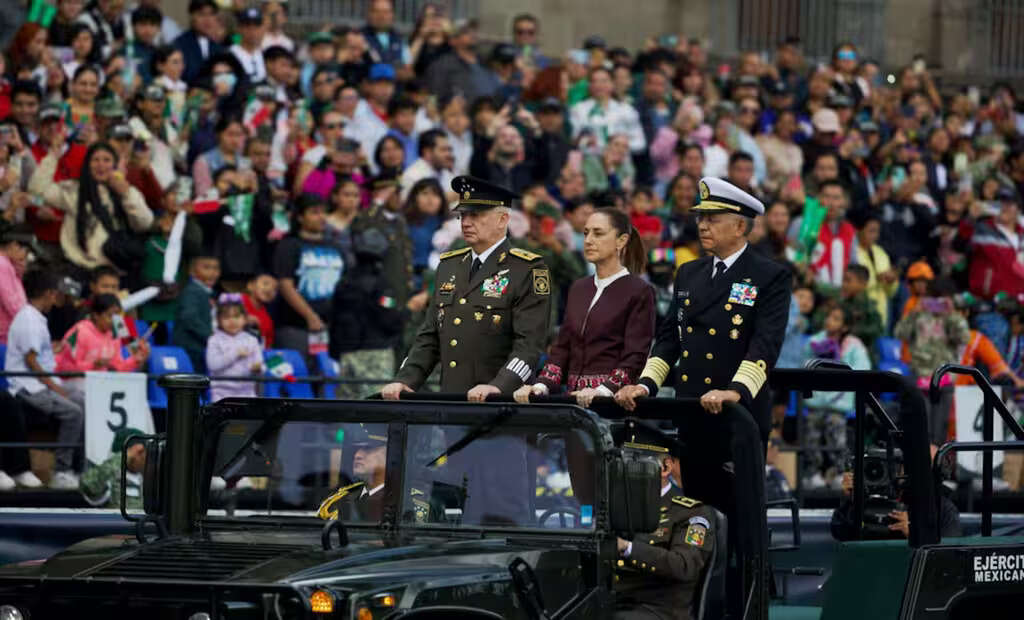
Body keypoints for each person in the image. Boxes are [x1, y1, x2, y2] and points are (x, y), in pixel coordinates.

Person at [615, 177, 791, 510]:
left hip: (737, 413)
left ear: (740, 226)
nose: (702, 225)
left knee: (739, 514)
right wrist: (646, 384)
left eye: (712, 219)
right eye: (700, 218)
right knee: (696, 512)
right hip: (692, 409)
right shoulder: (689, 273)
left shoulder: (769, 275)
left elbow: (765, 344)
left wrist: (735, 391)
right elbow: (669, 338)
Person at [383, 175, 551, 399]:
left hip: (501, 407)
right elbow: (430, 337)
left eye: (476, 215)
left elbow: (529, 346)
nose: (466, 222)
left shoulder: (526, 269)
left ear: (502, 220)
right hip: (453, 401)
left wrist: (499, 386)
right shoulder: (449, 265)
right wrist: (405, 380)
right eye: (463, 215)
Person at [514, 207, 655, 407]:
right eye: (586, 233)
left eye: (598, 233)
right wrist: (540, 386)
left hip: (613, 405)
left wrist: (603, 390)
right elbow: (562, 348)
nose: (588, 240)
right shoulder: (579, 288)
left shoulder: (639, 290)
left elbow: (635, 355)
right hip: (573, 403)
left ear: (621, 241)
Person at [612, 427, 717, 620]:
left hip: (656, 611)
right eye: (621, 460)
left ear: (665, 468)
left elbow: (684, 566)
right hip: (608, 603)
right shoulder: (614, 507)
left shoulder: (691, 513)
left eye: (634, 461)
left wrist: (627, 548)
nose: (624, 468)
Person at [6, 269, 85, 490]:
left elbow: (35, 352)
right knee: (73, 412)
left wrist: (53, 349)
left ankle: (78, 467)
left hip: (42, 384)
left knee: (81, 397)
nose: (59, 297)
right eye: (57, 293)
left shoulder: (35, 317)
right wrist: (54, 387)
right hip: (28, 388)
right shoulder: (29, 319)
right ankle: (61, 471)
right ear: (49, 293)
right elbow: (31, 361)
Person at [28, 137, 153, 272]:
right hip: (85, 268)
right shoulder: (75, 192)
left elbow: (145, 223)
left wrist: (126, 194)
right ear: (87, 164)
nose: (101, 165)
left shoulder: (128, 191)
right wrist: (52, 157)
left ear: (115, 165)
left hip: (119, 269)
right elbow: (37, 190)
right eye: (95, 160)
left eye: (106, 160)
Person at [331, 228, 422, 398]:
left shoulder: (344, 282)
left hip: (346, 354)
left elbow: (333, 319)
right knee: (374, 411)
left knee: (346, 411)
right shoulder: (381, 285)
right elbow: (390, 320)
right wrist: (408, 311)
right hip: (375, 355)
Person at [801, 303, 871, 489]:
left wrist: (839, 365)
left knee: (835, 428)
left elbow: (863, 369)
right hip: (815, 402)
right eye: (829, 317)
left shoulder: (854, 345)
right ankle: (813, 473)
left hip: (838, 405)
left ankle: (840, 472)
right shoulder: (814, 341)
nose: (829, 321)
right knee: (812, 428)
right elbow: (804, 365)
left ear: (845, 326)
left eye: (836, 319)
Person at [272, 193, 344, 359]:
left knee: (329, 379)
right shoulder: (289, 245)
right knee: (299, 379)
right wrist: (310, 316)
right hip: (295, 326)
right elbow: (285, 285)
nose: (321, 217)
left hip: (331, 327)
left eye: (323, 212)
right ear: (300, 217)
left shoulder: (335, 246)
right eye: (314, 212)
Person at [206, 294, 264, 401]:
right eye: (226, 317)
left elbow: (260, 364)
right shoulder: (214, 340)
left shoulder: (251, 340)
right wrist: (235, 354)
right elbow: (213, 365)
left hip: (248, 393)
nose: (232, 321)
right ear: (218, 320)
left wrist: (258, 368)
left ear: (245, 319)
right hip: (221, 395)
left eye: (236, 316)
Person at [173, 254, 219, 373]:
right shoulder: (192, 291)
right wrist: (212, 337)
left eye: (216, 268)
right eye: (207, 267)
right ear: (192, 272)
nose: (212, 272)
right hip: (192, 349)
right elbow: (189, 318)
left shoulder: (206, 292)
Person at [79, 426, 146, 509]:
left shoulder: (146, 477)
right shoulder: (110, 475)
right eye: (143, 453)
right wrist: (123, 456)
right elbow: (88, 485)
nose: (146, 459)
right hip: (115, 521)